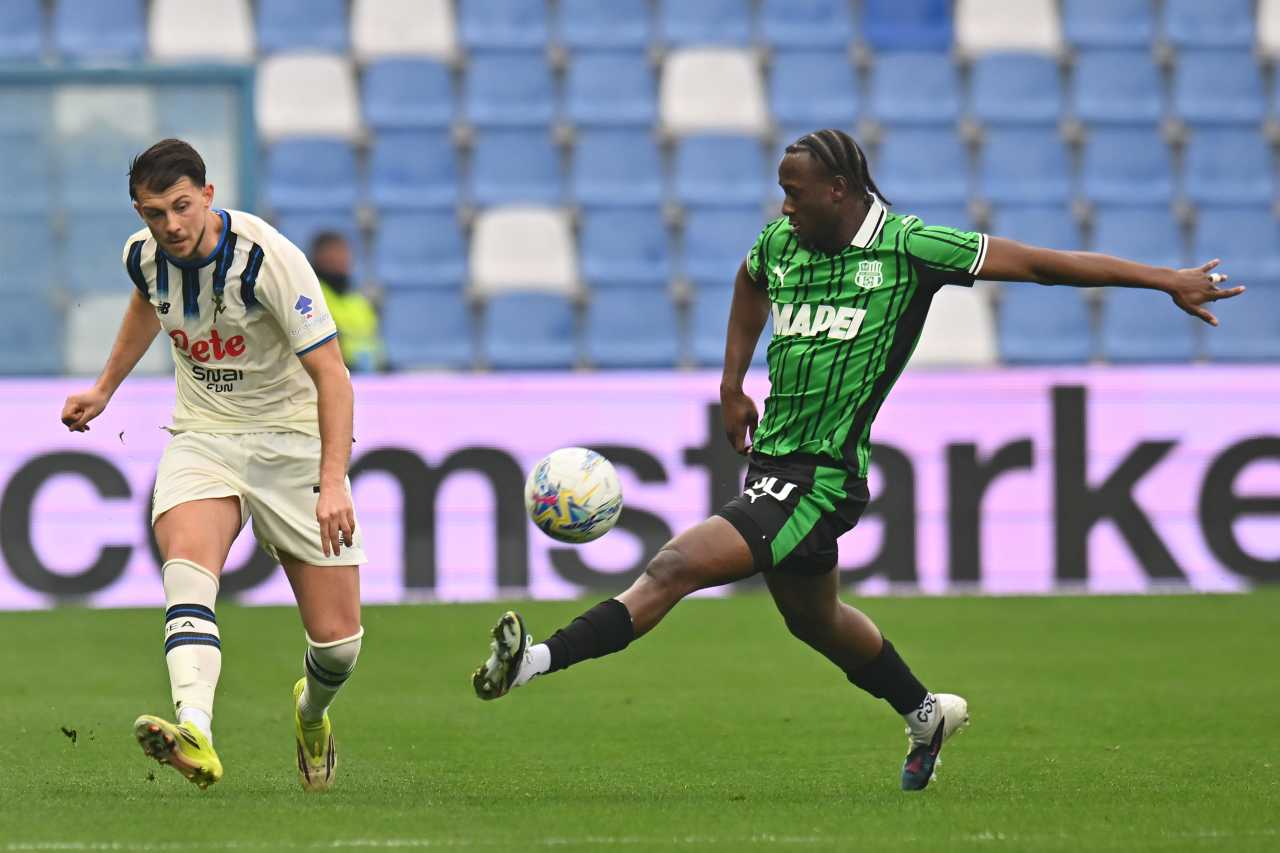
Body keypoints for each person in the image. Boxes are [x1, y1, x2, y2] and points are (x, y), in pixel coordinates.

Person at [471, 128, 1246, 791]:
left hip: (823, 478)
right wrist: (732, 382)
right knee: (815, 620)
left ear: (838, 191)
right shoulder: (783, 244)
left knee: (675, 566)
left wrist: (1163, 280)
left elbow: (1039, 264)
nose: (783, 207)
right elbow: (750, 279)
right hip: (771, 465)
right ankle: (926, 712)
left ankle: (533, 660)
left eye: (794, 192)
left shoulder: (910, 248)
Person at [59, 138, 368, 792]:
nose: (170, 225)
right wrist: (105, 388)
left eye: (180, 207)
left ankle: (312, 713)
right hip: (205, 434)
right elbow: (148, 303)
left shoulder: (269, 260)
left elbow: (333, 376)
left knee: (338, 645)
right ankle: (194, 730)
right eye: (153, 213)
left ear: (207, 195)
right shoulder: (143, 256)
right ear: (139, 213)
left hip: (291, 439)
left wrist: (332, 481)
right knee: (187, 570)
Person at [309, 231, 385, 372]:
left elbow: (375, 344)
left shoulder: (359, 300)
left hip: (371, 376)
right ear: (319, 258)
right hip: (335, 375)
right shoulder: (312, 297)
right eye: (334, 253)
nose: (342, 259)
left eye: (344, 253)